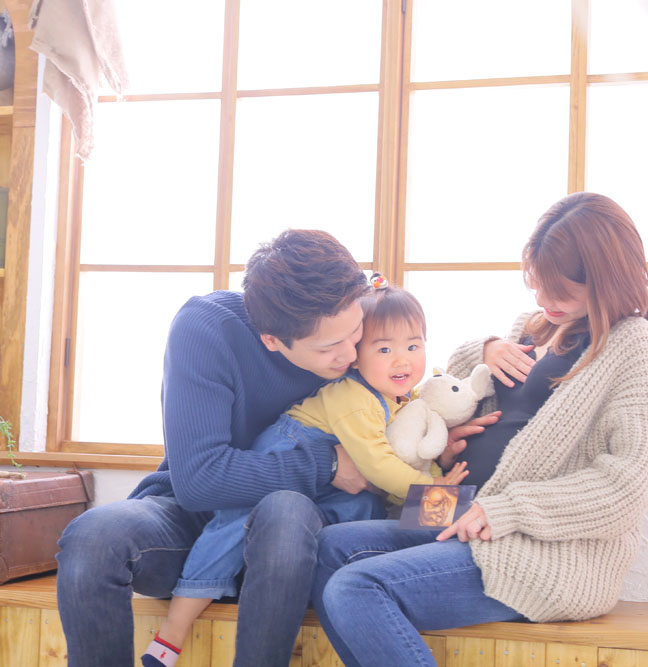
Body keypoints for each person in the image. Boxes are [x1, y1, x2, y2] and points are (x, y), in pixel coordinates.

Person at [54, 230, 495, 667]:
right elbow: (198, 481)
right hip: (201, 520)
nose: (351, 354)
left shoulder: (364, 341)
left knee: (284, 510)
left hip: (307, 532)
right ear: (271, 339)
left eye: (356, 332)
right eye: (329, 347)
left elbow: (413, 392)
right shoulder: (207, 328)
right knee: (93, 538)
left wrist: (484, 359)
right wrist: (328, 464)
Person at [308, 192, 648, 666]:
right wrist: (484, 348)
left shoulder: (634, 350)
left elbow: (625, 489)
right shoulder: (536, 326)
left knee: (356, 587)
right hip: (456, 505)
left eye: (559, 291)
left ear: (606, 279)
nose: (544, 301)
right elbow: (445, 385)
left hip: (528, 542)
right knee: (326, 547)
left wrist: (506, 509)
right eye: (537, 284)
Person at [142, 283, 470, 667]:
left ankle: (340, 585)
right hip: (283, 452)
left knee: (363, 509)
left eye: (413, 346)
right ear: (356, 355)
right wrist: (434, 490)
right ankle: (173, 630)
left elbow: (398, 467)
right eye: (384, 349)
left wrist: (440, 475)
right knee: (229, 531)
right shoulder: (354, 399)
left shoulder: (404, 401)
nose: (402, 361)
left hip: (334, 481)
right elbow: (381, 466)